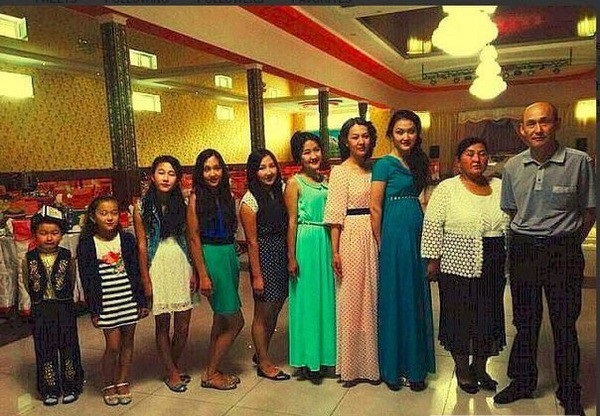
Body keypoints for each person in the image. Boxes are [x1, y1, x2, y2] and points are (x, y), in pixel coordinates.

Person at [495, 101, 596, 416]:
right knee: (525, 322)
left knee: (564, 324)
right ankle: (523, 382)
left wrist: (567, 241)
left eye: (544, 122)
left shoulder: (579, 162)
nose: (538, 129)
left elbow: (589, 211)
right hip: (524, 250)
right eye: (531, 123)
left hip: (563, 251)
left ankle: (570, 392)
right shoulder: (512, 166)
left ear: (557, 124)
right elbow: (511, 209)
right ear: (522, 129)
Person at [421, 137, 509, 395]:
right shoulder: (447, 188)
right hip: (456, 262)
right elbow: (432, 224)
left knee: (488, 316)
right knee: (459, 317)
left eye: (482, 153)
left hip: (493, 260)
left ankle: (480, 368)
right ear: (458, 161)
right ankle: (462, 369)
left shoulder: (499, 186)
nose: (477, 159)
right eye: (470, 154)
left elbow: (511, 219)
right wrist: (433, 260)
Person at [370, 109, 435, 392]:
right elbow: (375, 207)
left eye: (410, 131)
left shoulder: (419, 161)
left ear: (417, 134)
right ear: (391, 135)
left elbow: (423, 199)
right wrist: (382, 243)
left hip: (417, 232)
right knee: (396, 298)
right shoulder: (384, 164)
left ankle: (415, 367)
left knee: (415, 296)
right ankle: (394, 369)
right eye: (400, 132)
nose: (405, 136)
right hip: (394, 236)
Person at [77, 195, 149, 406]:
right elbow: (88, 280)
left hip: (128, 300)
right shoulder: (88, 244)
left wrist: (141, 301)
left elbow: (135, 271)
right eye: (103, 213)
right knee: (114, 346)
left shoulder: (126, 240)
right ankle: (108, 382)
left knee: (128, 343)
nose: (109, 217)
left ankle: (122, 380)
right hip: (107, 303)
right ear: (93, 217)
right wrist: (94, 310)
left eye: (114, 213)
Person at [323, 117, 379, 387]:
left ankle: (373, 363)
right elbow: (335, 215)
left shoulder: (375, 169)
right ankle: (352, 366)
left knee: (373, 296)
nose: (361, 141)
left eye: (365, 136)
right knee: (352, 300)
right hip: (351, 235)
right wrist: (335, 251)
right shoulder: (340, 171)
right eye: (355, 137)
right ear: (346, 141)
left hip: (374, 233)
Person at [133, 155, 195, 393]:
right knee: (162, 323)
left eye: (171, 173)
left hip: (180, 261)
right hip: (156, 263)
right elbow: (141, 245)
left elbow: (190, 238)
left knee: (183, 326)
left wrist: (194, 270)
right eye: (161, 172)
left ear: (177, 178)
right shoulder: (141, 207)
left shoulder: (184, 203)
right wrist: (145, 278)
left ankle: (172, 367)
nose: (166, 178)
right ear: (152, 176)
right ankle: (171, 372)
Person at [187, 148, 244, 390]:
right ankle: (210, 374)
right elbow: (194, 238)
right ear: (200, 173)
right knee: (236, 321)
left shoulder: (226, 195)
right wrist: (202, 274)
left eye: (217, 168)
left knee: (221, 318)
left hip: (228, 255)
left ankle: (213, 367)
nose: (212, 173)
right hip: (212, 257)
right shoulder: (195, 198)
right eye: (207, 169)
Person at [284, 131, 336, 384]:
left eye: (316, 150)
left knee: (326, 300)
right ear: (299, 157)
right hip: (306, 241)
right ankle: (309, 360)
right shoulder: (294, 183)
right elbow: (291, 222)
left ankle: (326, 356)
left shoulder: (326, 180)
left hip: (325, 240)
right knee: (308, 301)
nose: (313, 155)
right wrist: (291, 256)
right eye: (307, 152)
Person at [24, 205, 85, 406]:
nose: (49, 238)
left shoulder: (67, 256)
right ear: (35, 234)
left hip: (64, 307)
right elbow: (27, 282)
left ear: (62, 234)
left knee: (69, 345)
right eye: (43, 233)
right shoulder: (29, 258)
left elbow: (72, 278)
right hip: (41, 308)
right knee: (44, 347)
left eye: (54, 233)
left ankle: (71, 385)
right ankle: (49, 388)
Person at [239, 148, 290, 381]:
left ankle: (262, 353)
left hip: (281, 252)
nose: (268, 172)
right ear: (253, 172)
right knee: (263, 312)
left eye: (271, 166)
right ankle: (265, 363)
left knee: (276, 306)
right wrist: (257, 276)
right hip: (264, 256)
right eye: (262, 168)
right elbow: (251, 242)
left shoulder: (281, 189)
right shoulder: (249, 201)